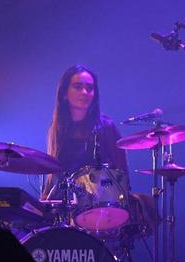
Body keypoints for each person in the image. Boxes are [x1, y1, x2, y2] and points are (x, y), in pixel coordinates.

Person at [42, 64, 129, 200]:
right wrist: (46, 195)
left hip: (100, 203)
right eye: (78, 87)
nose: (84, 92)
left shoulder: (106, 126)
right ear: (64, 93)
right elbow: (54, 171)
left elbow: (121, 172)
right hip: (65, 203)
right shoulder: (57, 127)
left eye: (89, 88)